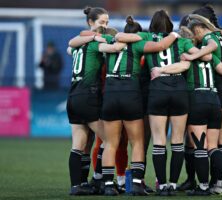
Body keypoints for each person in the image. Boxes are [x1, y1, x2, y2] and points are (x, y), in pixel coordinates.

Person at [115, 10, 212, 196]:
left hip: (157, 91)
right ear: (170, 26)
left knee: (159, 142)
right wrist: (190, 56)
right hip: (179, 91)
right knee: (177, 142)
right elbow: (206, 57)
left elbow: (121, 36)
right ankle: (173, 186)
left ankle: (162, 186)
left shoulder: (144, 36)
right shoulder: (181, 41)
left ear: (152, 25)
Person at [181, 14, 222, 196]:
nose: (199, 39)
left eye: (197, 35)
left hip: (219, 92)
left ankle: (217, 183)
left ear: (199, 30)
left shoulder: (208, 43)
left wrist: (192, 56)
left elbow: (212, 49)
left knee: (217, 141)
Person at [66, 6, 124, 195]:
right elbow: (115, 47)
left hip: (73, 96)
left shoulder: (76, 46)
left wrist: (89, 36)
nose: (105, 26)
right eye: (102, 22)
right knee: (109, 141)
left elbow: (70, 46)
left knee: (79, 145)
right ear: (91, 23)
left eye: (107, 23)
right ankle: (101, 180)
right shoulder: (96, 42)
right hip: (88, 96)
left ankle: (77, 186)